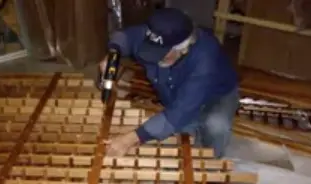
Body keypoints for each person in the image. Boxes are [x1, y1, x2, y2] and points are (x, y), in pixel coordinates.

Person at [100, 8, 239, 159]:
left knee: (216, 126)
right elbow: (123, 36)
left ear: (183, 49)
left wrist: (130, 139)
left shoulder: (205, 60)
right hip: (175, 92)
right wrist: (112, 56)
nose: (155, 59)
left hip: (217, 95)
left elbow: (178, 113)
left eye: (161, 54)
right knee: (184, 130)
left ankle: (213, 168)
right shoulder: (154, 33)